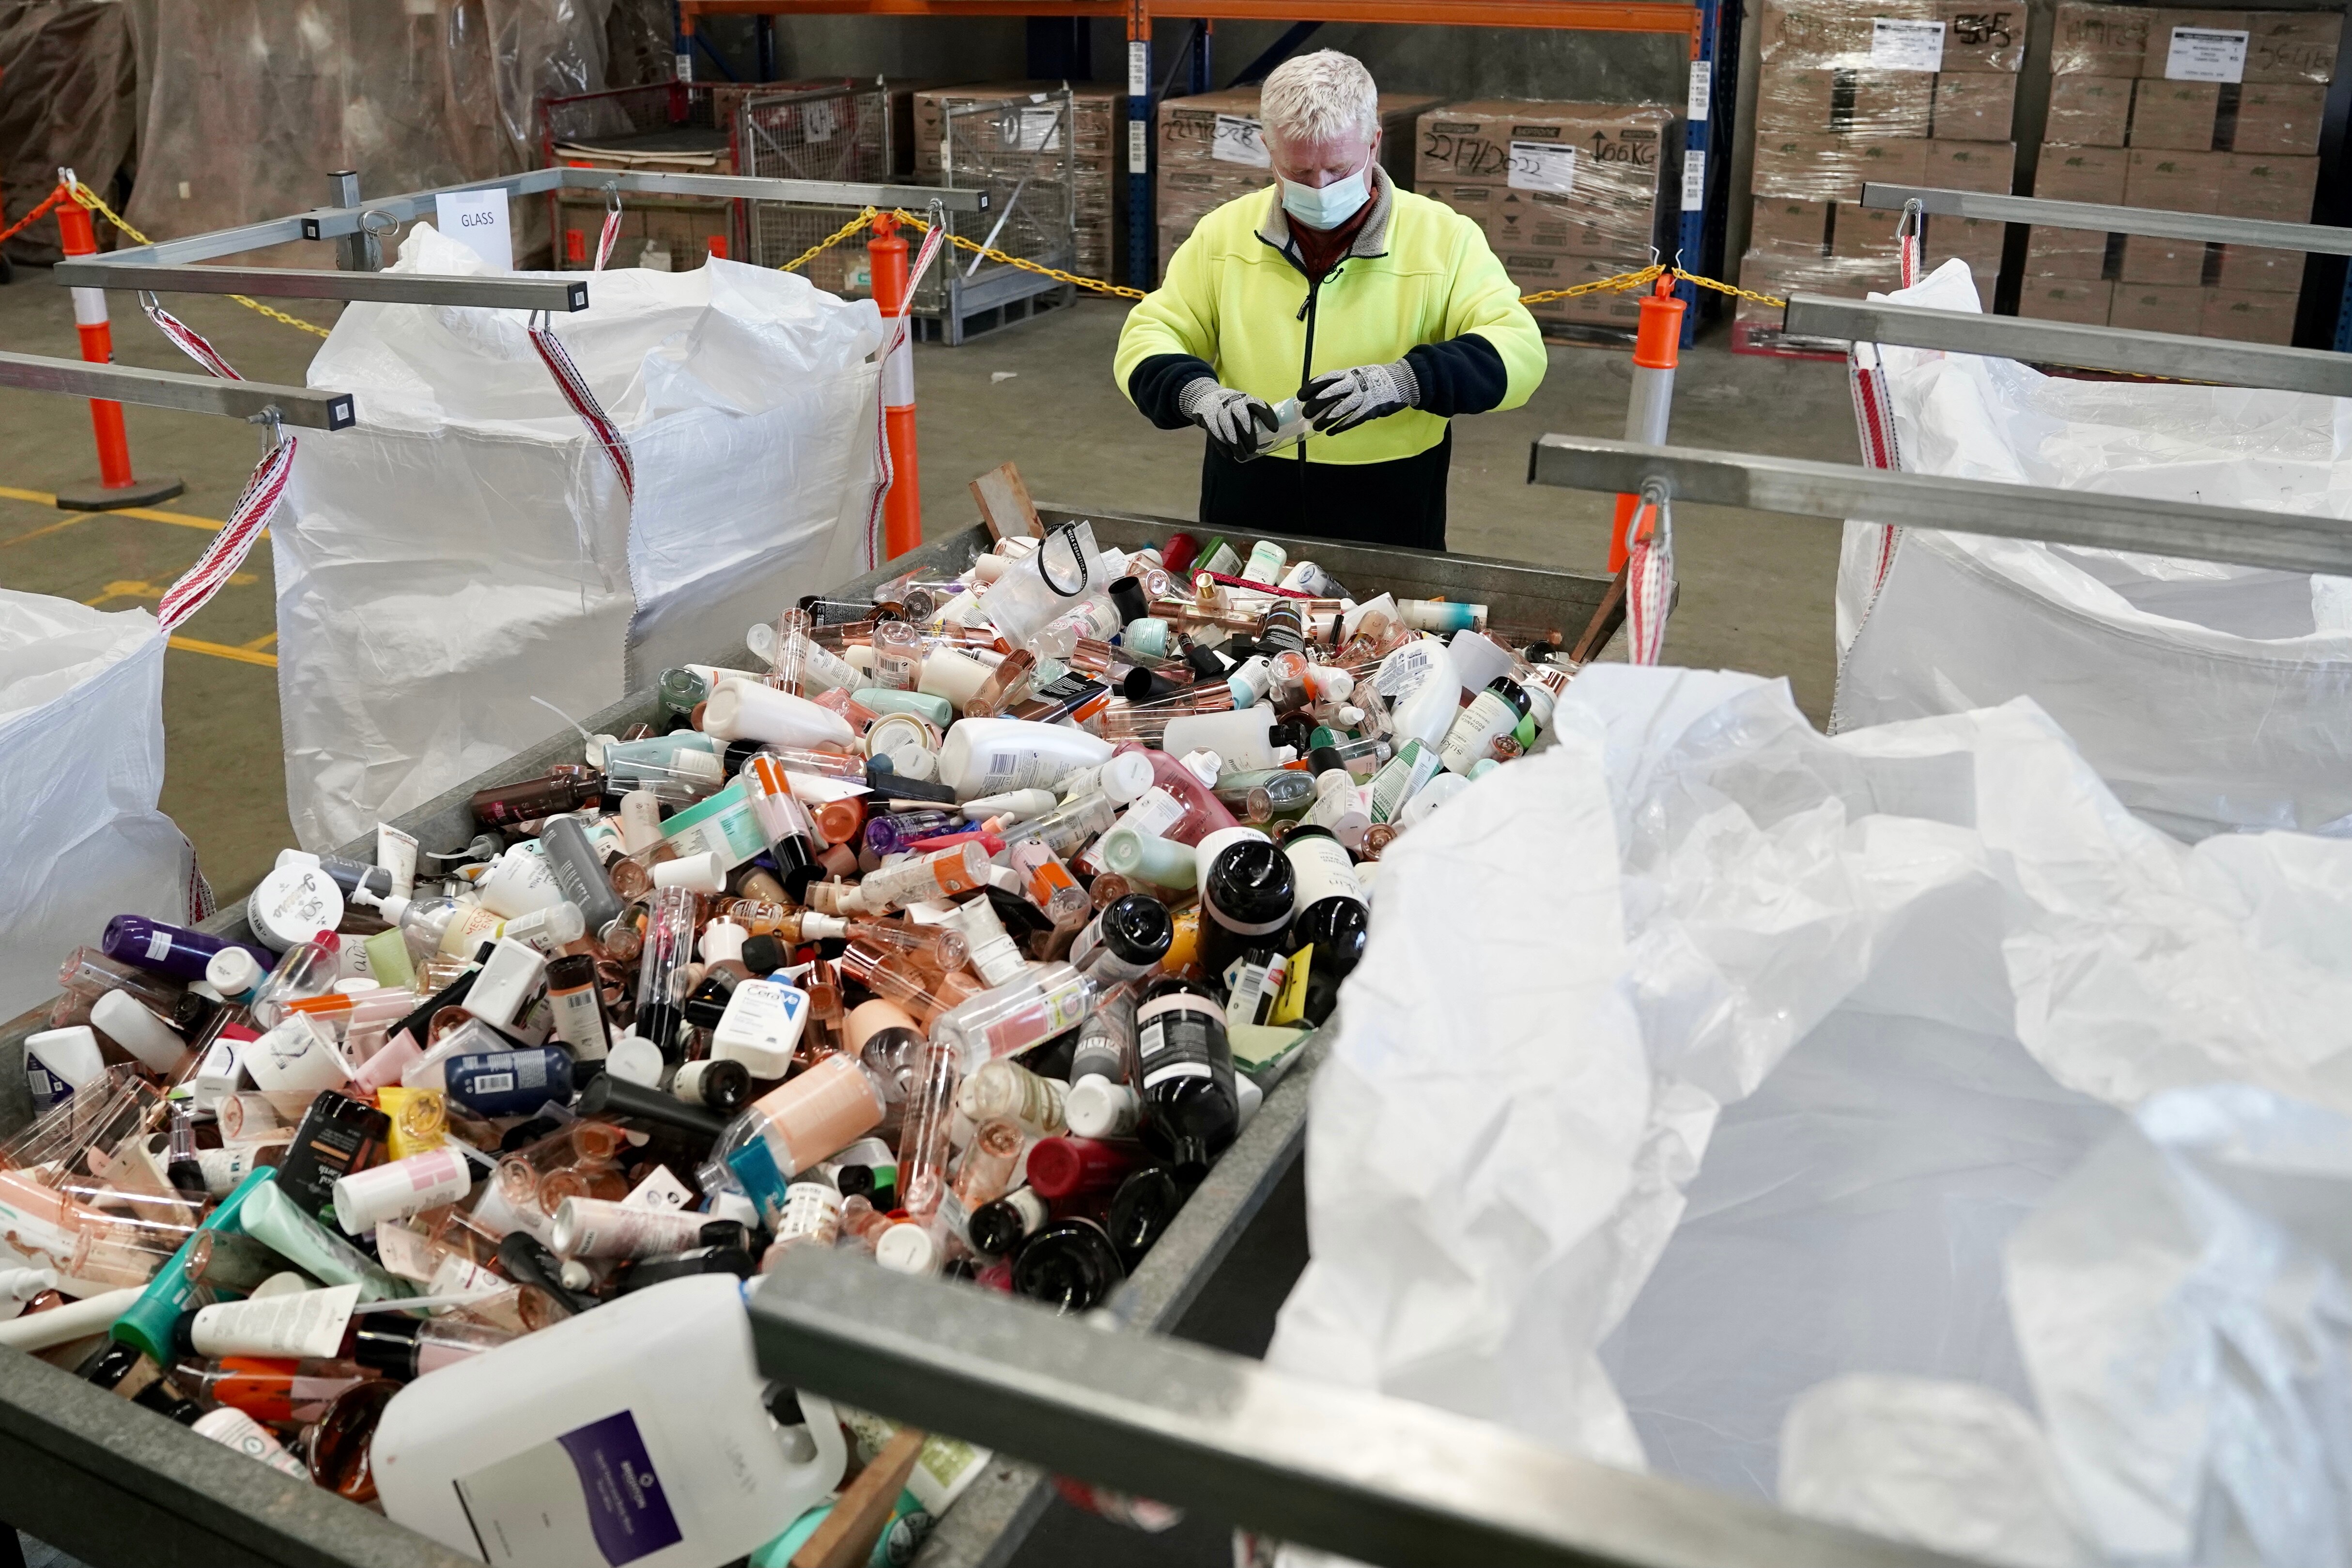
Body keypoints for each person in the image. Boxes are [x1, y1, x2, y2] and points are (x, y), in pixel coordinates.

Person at [1113, 51, 1546, 552]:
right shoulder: (1225, 233)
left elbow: (1517, 351)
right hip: (1246, 497)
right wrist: (1196, 395)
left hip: (1388, 506)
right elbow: (1149, 335)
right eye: (1296, 172)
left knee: (1381, 630)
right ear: (1265, 149)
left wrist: (1403, 382)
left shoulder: (1443, 239)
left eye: (1338, 169)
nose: (1319, 189)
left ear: (1374, 141)